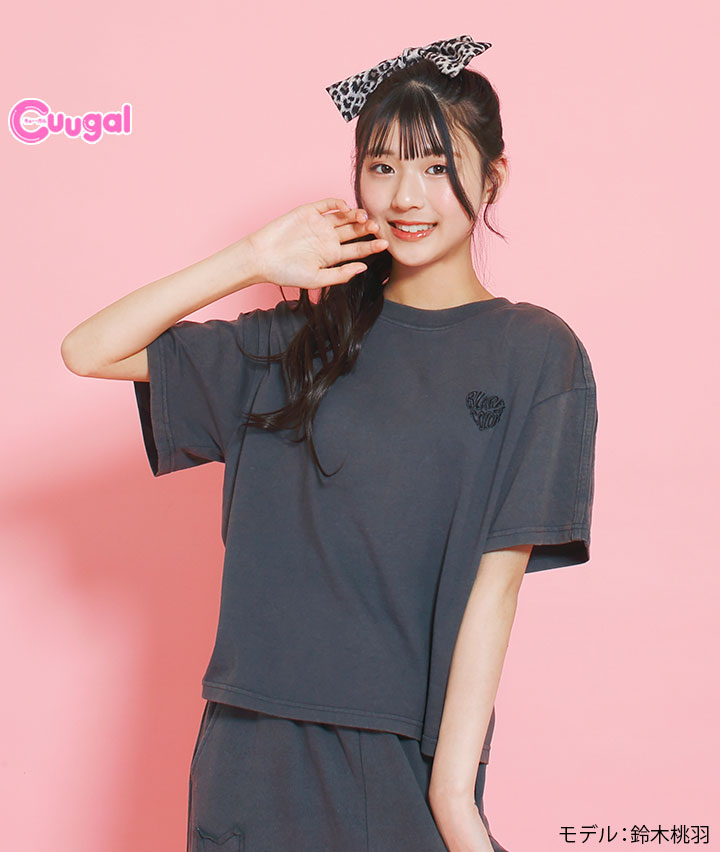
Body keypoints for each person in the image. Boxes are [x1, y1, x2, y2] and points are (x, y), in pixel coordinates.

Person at [61, 35, 598, 852]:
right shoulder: (295, 341)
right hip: (251, 752)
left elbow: (497, 588)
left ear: (493, 178)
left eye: (437, 166)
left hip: (406, 760)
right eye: (382, 166)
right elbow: (88, 350)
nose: (407, 196)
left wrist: (455, 799)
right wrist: (251, 259)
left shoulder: (535, 355)